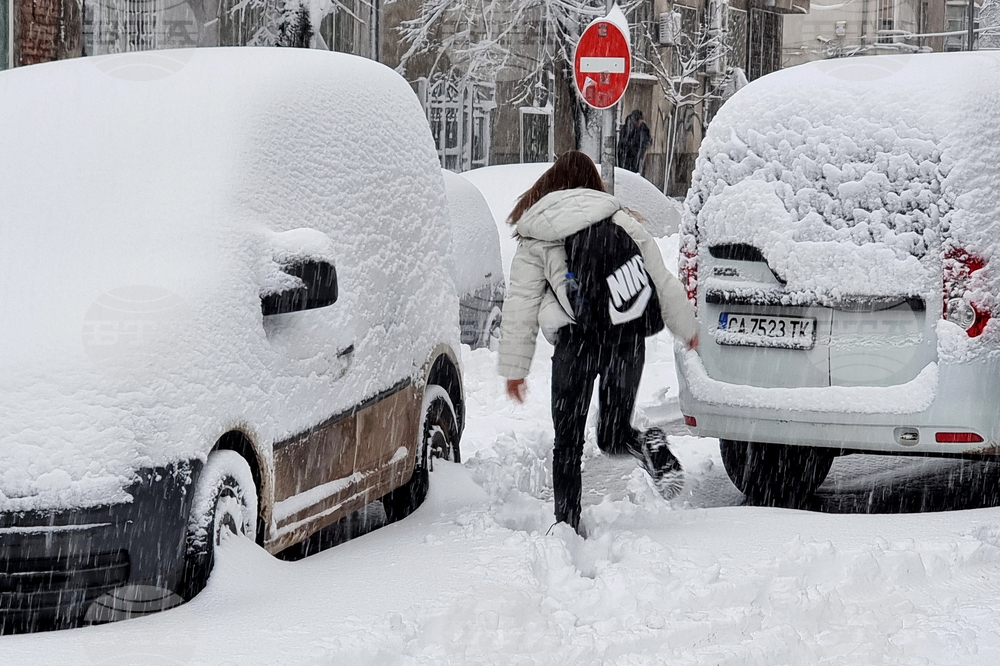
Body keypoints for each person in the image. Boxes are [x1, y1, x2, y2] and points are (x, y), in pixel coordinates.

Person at [497, 151, 698, 533]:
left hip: (576, 343)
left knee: (567, 444)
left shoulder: (538, 231)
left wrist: (514, 370)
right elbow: (660, 277)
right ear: (592, 182)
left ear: (551, 184)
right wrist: (688, 329)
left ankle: (567, 525)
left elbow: (520, 304)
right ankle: (646, 445)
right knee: (612, 435)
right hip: (626, 339)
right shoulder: (618, 217)